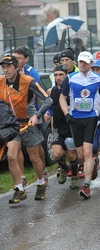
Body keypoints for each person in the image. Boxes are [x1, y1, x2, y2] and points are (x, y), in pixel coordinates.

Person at [0, 55, 53, 203]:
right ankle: (19, 189)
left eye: (9, 66)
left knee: (34, 157)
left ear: (17, 67)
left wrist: (37, 115)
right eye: (3, 67)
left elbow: (48, 99)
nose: (6, 69)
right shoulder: (0, 82)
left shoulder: (28, 81)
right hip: (11, 126)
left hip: (29, 123)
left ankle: (41, 183)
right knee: (11, 156)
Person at [59, 51, 100, 199]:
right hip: (75, 119)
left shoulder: (99, 78)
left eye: (86, 62)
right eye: (80, 61)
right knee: (80, 155)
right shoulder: (70, 78)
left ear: (91, 63)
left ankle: (86, 186)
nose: (82, 64)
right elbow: (62, 98)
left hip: (91, 118)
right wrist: (67, 113)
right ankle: (91, 165)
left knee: (87, 152)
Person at [14, 46, 48, 186]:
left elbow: (34, 93)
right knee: (16, 148)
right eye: (15, 57)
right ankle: (22, 177)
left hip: (33, 113)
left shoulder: (32, 73)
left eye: (19, 58)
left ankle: (44, 172)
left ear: (26, 59)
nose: (16, 60)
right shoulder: (12, 72)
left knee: (37, 147)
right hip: (16, 116)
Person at [43, 64, 79, 188]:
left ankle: (74, 176)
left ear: (67, 76)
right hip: (58, 128)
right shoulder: (51, 91)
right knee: (57, 154)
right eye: (56, 75)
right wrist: (48, 114)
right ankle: (64, 167)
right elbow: (51, 109)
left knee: (71, 154)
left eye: (61, 75)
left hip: (70, 128)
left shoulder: (73, 90)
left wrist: (71, 109)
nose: (58, 78)